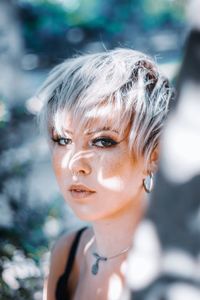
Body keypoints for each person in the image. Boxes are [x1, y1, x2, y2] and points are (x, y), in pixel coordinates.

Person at [37, 48, 173, 300]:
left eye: (102, 141)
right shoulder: (66, 253)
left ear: (154, 155)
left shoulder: (178, 266)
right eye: (63, 139)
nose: (74, 164)